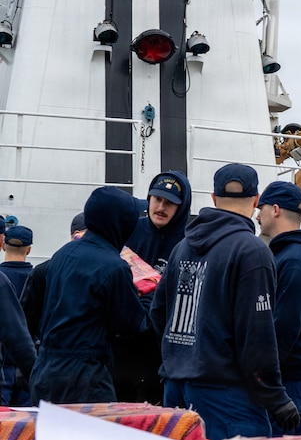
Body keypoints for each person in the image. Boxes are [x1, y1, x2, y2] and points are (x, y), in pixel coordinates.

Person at [151, 163, 300, 440]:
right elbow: (257, 334)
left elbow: (159, 313)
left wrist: (184, 356)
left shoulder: (181, 248)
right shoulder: (252, 251)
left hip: (176, 388)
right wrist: (275, 397)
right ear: (256, 201)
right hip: (226, 395)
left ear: (214, 198)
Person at [30, 188, 149, 406]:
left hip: (45, 370)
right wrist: (149, 297)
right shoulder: (114, 267)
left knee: (51, 438)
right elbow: (131, 325)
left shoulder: (62, 254)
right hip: (85, 377)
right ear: (120, 223)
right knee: (93, 438)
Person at [116, 171, 192, 404]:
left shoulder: (189, 241)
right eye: (157, 199)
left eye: (170, 203)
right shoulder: (128, 230)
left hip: (163, 351)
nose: (161, 207)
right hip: (122, 345)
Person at [259, 181, 301, 434]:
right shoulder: (290, 256)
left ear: (275, 209)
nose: (257, 214)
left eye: (261, 207)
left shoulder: (295, 260)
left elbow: (282, 329)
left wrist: (260, 379)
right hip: (285, 379)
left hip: (287, 382)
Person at [0, 225, 33, 405]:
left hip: (3, 366)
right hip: (27, 362)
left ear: (4, 245)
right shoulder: (40, 276)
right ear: (29, 249)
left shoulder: (2, 278)